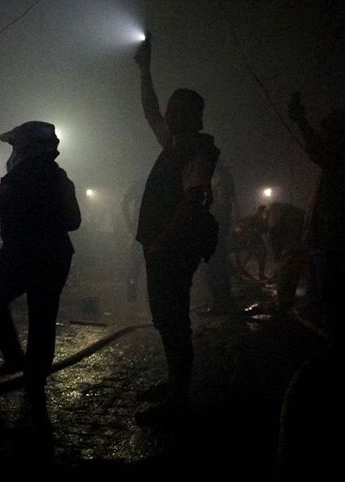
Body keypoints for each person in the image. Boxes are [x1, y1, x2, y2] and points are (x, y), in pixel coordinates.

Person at [132, 35, 220, 425]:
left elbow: (192, 201)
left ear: (192, 116)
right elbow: (149, 111)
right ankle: (173, 385)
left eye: (175, 109)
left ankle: (178, 399)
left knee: (174, 320)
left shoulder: (195, 152)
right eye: (169, 108)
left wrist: (163, 242)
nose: (166, 113)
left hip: (170, 249)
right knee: (166, 319)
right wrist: (145, 70)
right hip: (160, 246)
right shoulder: (175, 143)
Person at [0, 121, 81, 398]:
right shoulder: (60, 177)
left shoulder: (19, 178)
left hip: (22, 253)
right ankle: (35, 384)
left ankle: (14, 358)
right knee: (43, 318)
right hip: (57, 255)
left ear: (23, 148)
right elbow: (74, 222)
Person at [287, 93, 345, 344]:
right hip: (327, 245)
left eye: (332, 130)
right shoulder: (337, 163)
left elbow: (318, 151)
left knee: (340, 310)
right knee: (328, 307)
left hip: (339, 246)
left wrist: (301, 121)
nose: (327, 135)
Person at [201, 162, 239, 314]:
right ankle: (222, 301)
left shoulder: (221, 179)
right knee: (215, 266)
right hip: (215, 226)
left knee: (215, 266)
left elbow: (222, 204)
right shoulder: (219, 178)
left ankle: (221, 303)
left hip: (216, 227)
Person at [264, 202, 307, 313]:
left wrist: (279, 260)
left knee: (287, 277)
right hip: (298, 248)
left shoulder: (279, 221)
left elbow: (277, 241)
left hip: (293, 250)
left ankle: (284, 307)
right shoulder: (296, 216)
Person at [120, 177, 147, 304]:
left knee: (135, 264)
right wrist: (130, 223)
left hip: (142, 229)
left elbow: (124, 203)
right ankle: (133, 292)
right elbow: (124, 203)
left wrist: (130, 223)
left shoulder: (140, 183)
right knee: (136, 263)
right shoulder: (141, 183)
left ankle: (133, 293)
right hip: (143, 229)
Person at [229, 206, 268, 281]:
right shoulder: (251, 219)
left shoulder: (263, 221)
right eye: (263, 213)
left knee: (262, 253)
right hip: (245, 239)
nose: (264, 215)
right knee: (246, 255)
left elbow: (264, 230)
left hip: (254, 240)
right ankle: (239, 271)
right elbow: (240, 227)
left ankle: (260, 274)